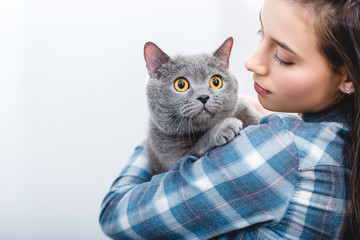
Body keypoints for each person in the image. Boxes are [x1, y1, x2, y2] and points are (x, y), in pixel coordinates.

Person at [99, 0, 360, 238]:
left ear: (348, 76)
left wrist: (159, 131)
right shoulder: (342, 134)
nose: (251, 62)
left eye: (283, 57)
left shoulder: (281, 150)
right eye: (261, 34)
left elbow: (114, 217)